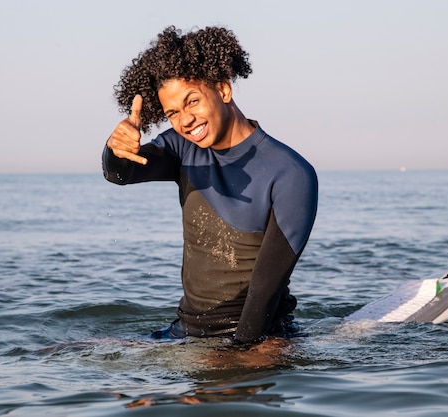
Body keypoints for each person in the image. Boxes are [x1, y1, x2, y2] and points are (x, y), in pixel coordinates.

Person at [102, 26, 318, 345]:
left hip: (259, 334)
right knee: (57, 356)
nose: (185, 120)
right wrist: (115, 149)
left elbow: (265, 288)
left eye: (192, 102)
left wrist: (239, 352)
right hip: (187, 330)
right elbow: (121, 174)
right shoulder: (182, 148)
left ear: (223, 89)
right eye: (172, 113)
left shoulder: (291, 173)